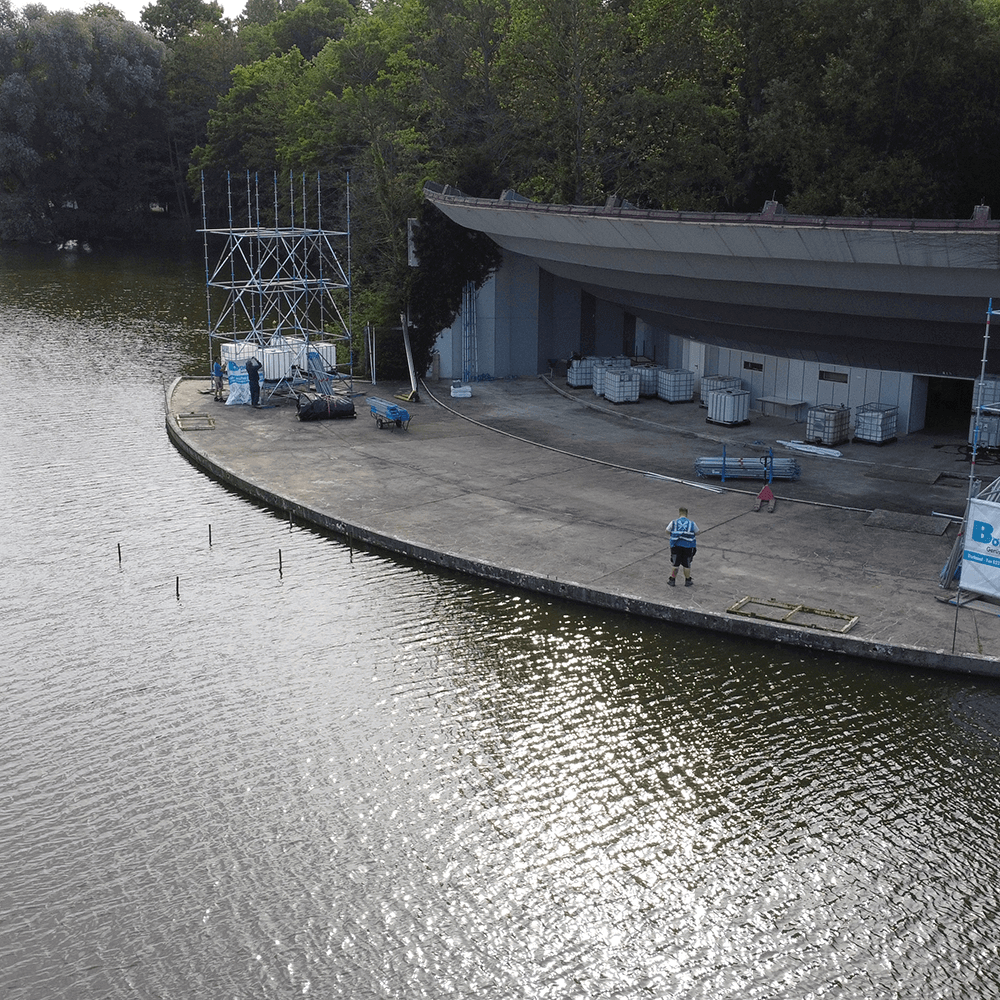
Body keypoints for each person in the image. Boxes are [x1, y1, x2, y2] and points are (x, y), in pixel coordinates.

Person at [666, 506, 699, 587]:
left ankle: (672, 580)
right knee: (687, 564)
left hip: (676, 546)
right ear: (686, 514)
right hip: (688, 546)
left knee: (675, 564)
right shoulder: (692, 523)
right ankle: (687, 580)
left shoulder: (674, 522)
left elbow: (667, 531)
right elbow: (698, 532)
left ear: (679, 513)